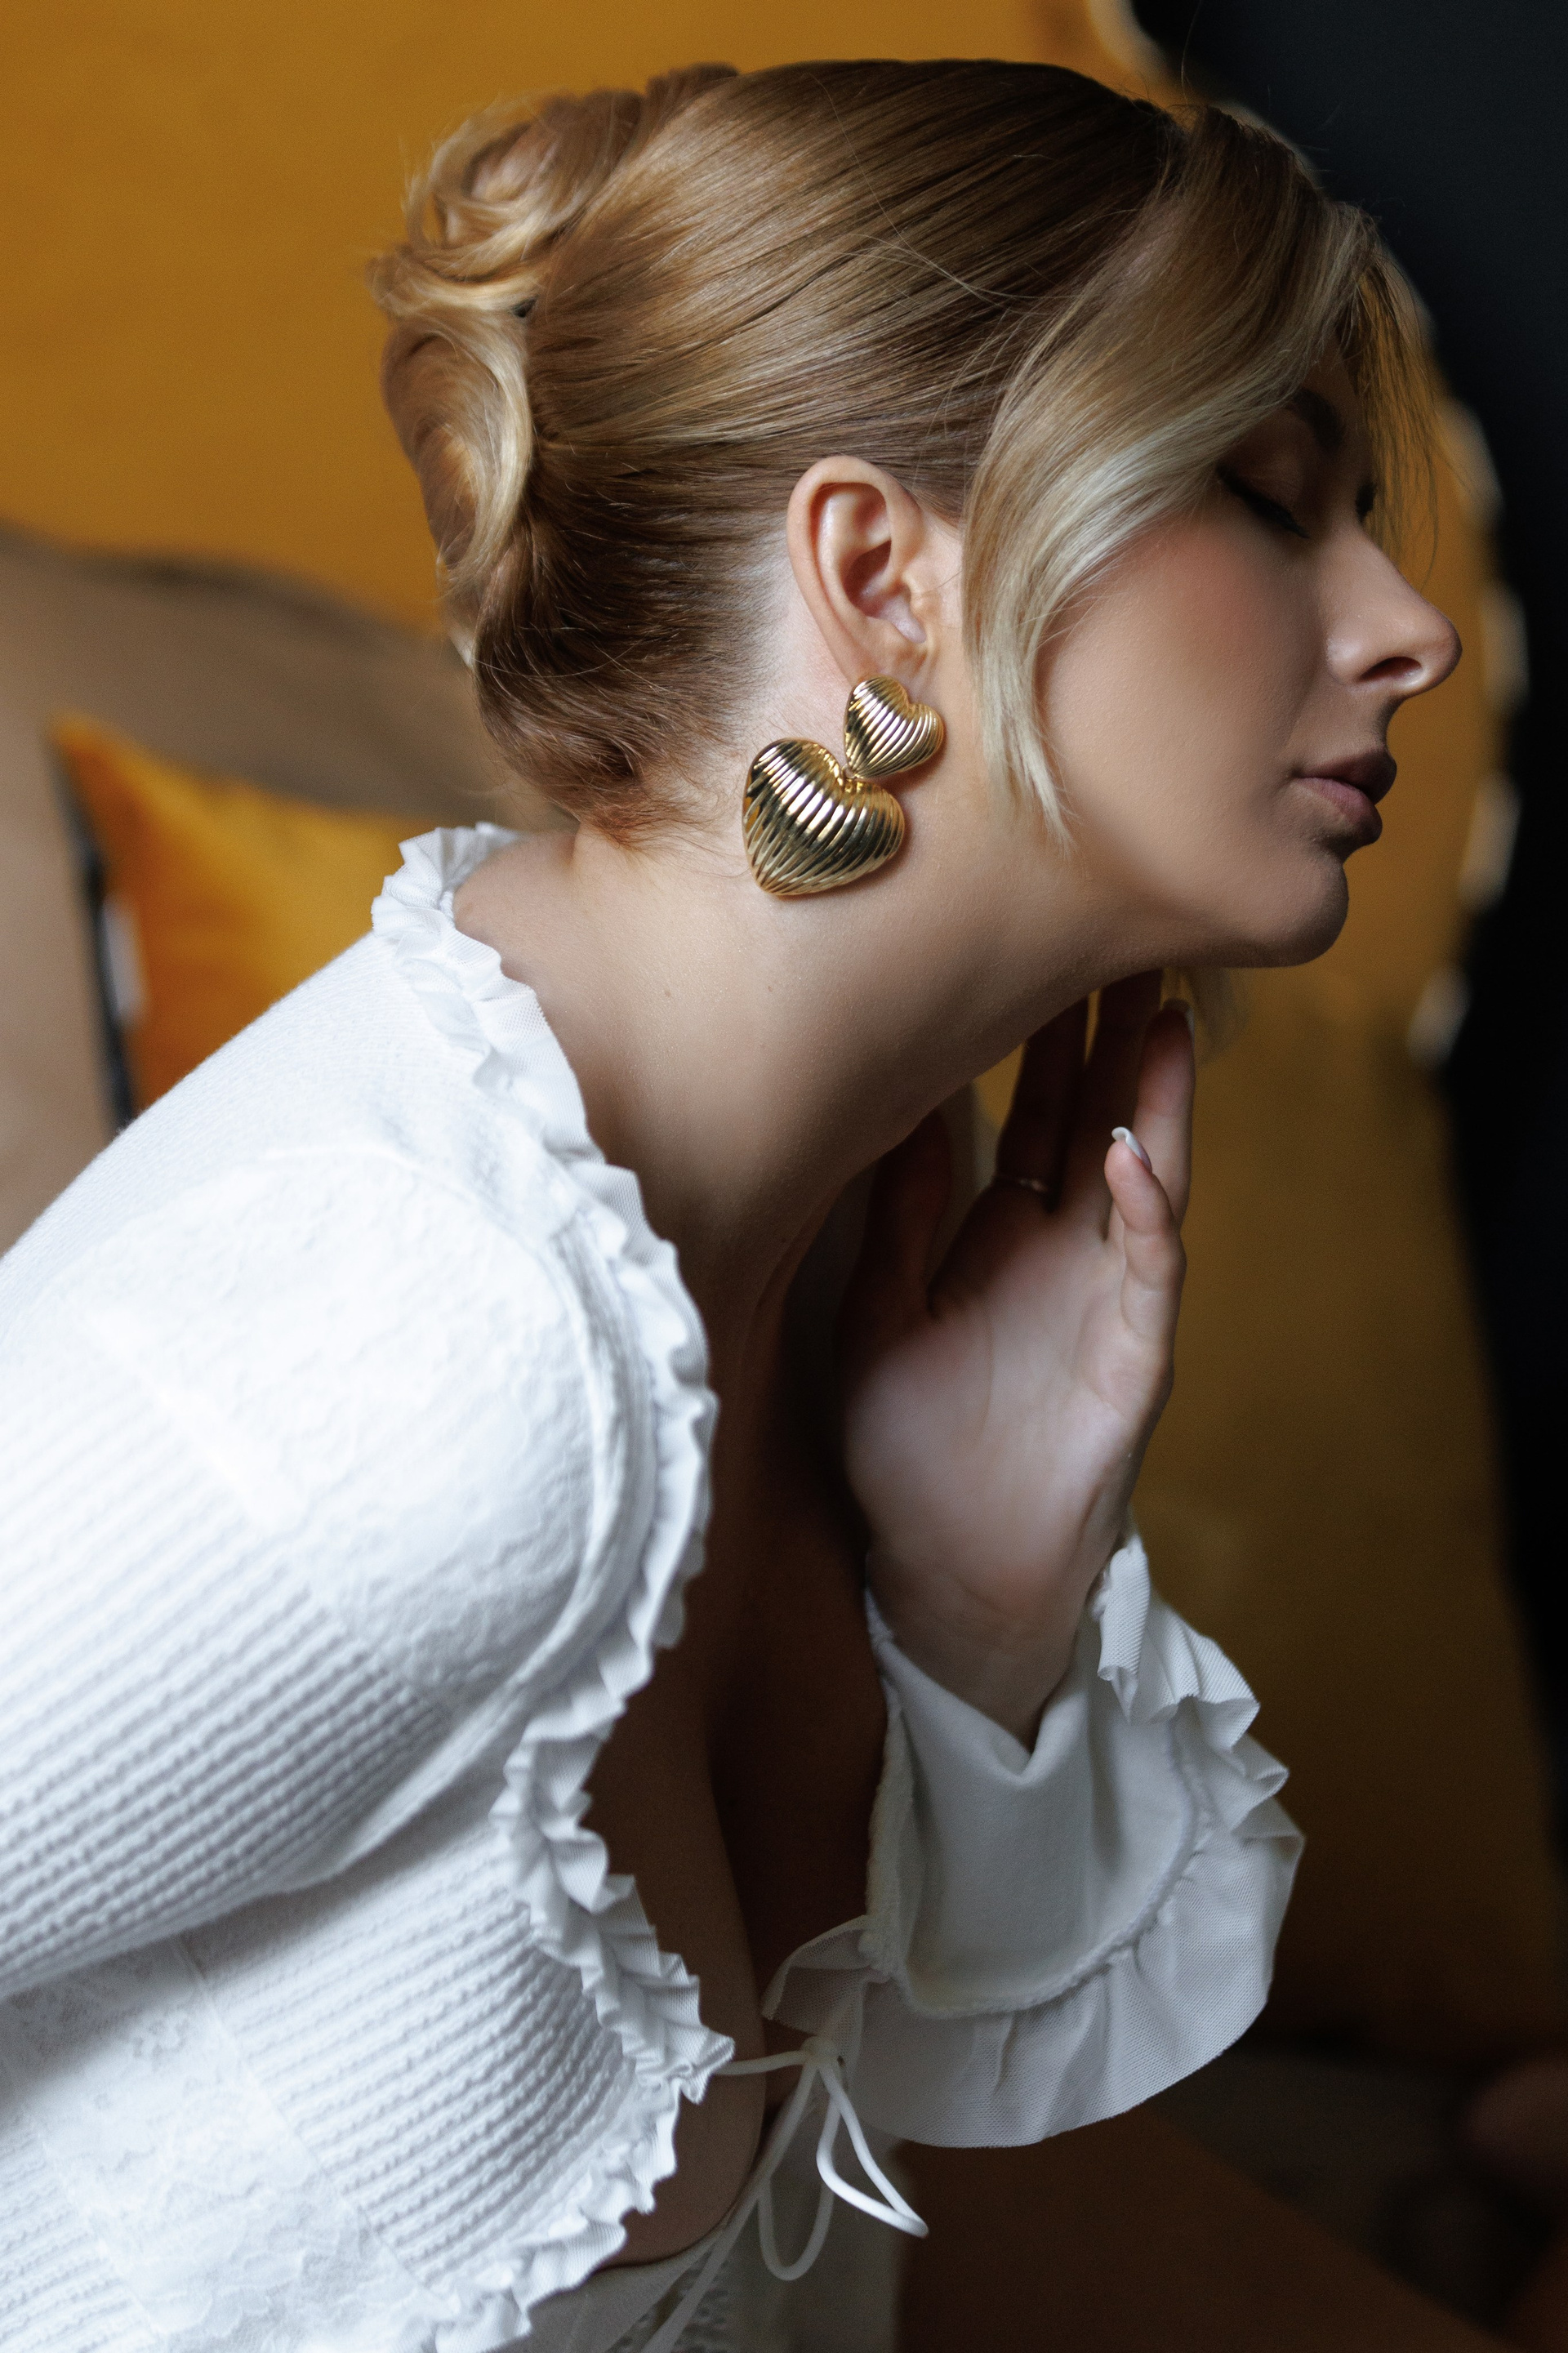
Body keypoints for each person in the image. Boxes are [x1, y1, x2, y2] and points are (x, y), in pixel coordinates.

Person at [0, 57, 1459, 2353]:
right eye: (1270, 500)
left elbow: (862, 2208)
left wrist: (972, 1622)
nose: (1407, 627)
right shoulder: (416, 1341)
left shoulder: (836, 1250)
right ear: (881, 576)